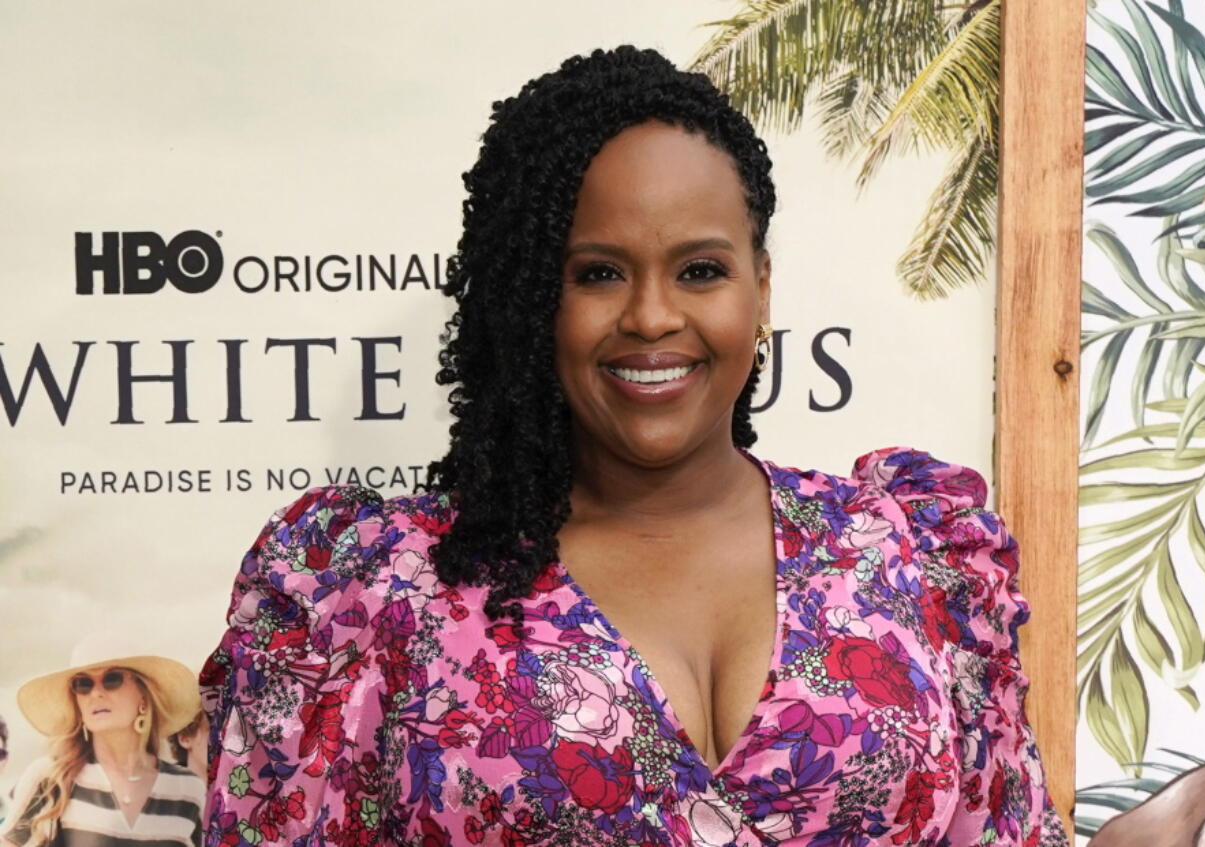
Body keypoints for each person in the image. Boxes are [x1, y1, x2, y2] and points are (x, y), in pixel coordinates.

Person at [201, 46, 1069, 846]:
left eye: (700, 270)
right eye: (598, 273)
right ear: (531, 299)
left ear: (760, 287)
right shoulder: (377, 591)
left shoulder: (905, 552)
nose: (653, 316)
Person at [1, 635, 204, 847]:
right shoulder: (50, 778)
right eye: (83, 684)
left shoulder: (189, 789)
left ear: (143, 695)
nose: (96, 693)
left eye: (112, 679)